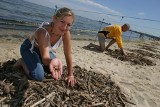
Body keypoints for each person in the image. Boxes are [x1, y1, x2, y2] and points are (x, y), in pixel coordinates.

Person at [13, 7, 76, 86]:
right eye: (62, 21)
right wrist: (52, 61)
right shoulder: (43, 32)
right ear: (54, 19)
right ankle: (21, 62)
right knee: (38, 76)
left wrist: (70, 75)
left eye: (69, 24)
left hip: (44, 50)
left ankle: (35, 60)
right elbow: (45, 58)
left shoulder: (66, 33)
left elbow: (68, 53)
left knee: (53, 70)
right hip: (30, 48)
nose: (64, 27)